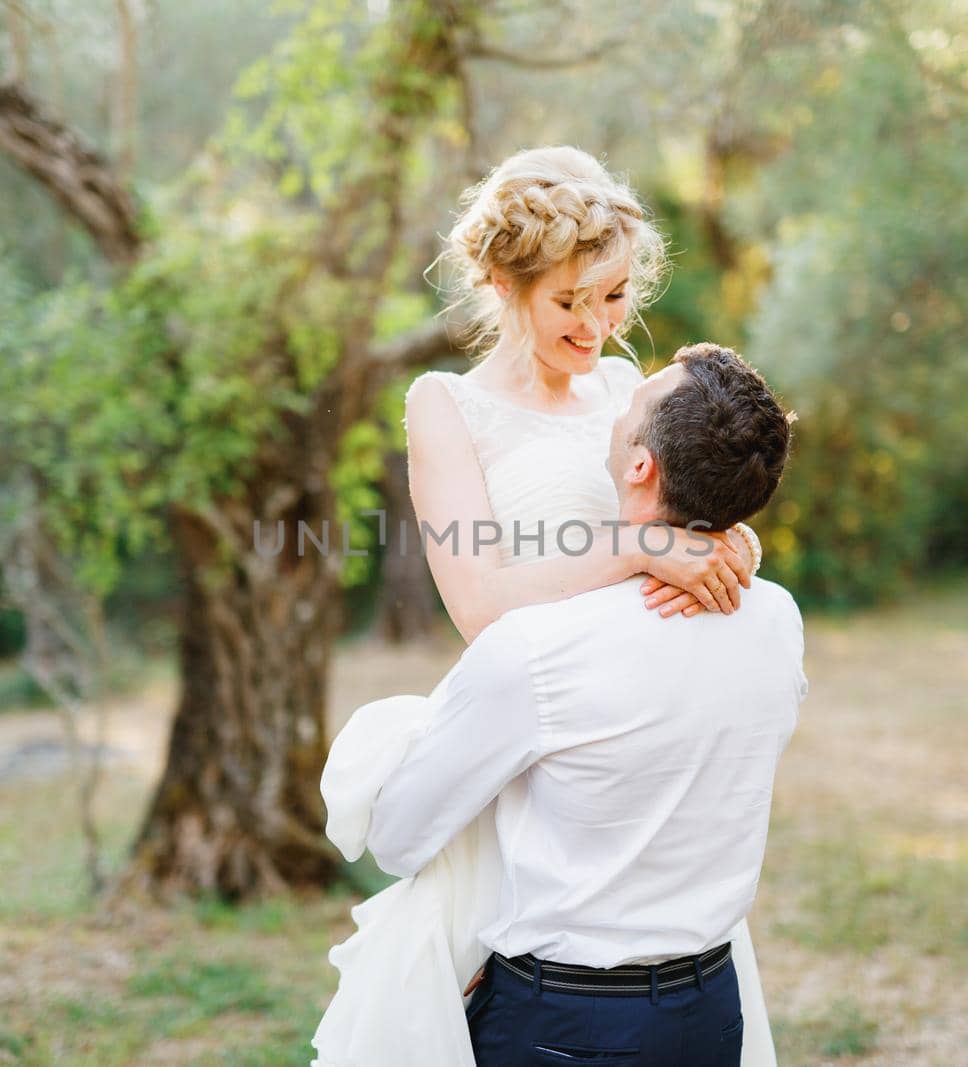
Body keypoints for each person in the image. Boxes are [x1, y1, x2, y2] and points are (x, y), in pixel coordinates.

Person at [312, 147, 773, 1067]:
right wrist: (639, 548)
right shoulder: (446, 405)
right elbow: (481, 605)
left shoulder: (621, 389)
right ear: (502, 281)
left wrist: (734, 543)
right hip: (517, 742)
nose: (598, 323)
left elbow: (685, 509)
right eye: (571, 300)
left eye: (611, 296)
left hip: (628, 756)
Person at [369, 343, 804, 1065]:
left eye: (632, 403)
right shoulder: (778, 622)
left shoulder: (536, 650)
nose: (616, 395)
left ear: (640, 465)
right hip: (713, 1015)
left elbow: (397, 836)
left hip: (565, 1026)